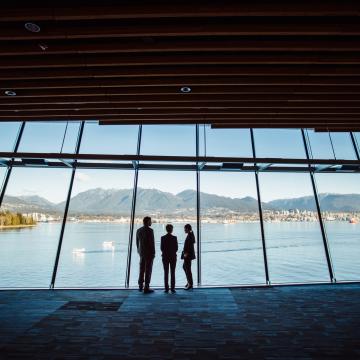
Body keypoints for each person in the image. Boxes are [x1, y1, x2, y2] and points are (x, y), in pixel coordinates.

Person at [136, 216, 155, 294]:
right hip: (149, 253)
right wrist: (153, 252)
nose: (151, 222)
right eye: (150, 221)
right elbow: (151, 243)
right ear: (147, 222)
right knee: (148, 270)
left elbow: (137, 243)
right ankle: (146, 287)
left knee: (141, 269)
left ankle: (140, 285)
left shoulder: (138, 230)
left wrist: (139, 251)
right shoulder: (150, 231)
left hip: (141, 253)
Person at [161, 224, 178, 294]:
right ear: (171, 230)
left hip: (165, 257)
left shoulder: (163, 238)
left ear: (166, 229)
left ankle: (166, 288)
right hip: (173, 257)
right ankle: (173, 288)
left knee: (166, 272)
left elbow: (161, 248)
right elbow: (176, 248)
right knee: (173, 272)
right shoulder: (174, 238)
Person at [182, 223, 195, 290]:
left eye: (185, 228)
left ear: (187, 229)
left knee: (187, 269)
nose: (184, 230)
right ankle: (189, 282)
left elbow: (189, 247)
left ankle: (190, 284)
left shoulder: (190, 236)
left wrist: (186, 254)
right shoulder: (191, 234)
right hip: (188, 255)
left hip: (188, 255)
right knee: (185, 267)